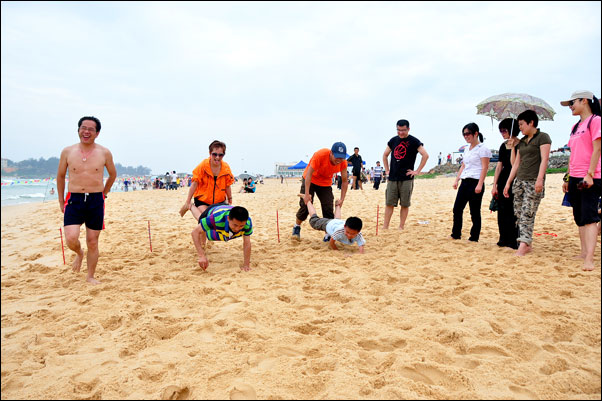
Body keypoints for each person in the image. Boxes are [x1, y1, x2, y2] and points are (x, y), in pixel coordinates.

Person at [57, 116, 117, 285]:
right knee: (71, 238)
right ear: (78, 130)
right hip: (74, 199)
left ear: (97, 133)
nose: (86, 132)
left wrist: (104, 192)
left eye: (91, 129)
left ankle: (90, 276)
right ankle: (79, 253)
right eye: (83, 128)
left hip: (95, 200)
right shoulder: (67, 152)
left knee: (92, 241)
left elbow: (113, 174)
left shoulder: (104, 152)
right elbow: (60, 176)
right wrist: (61, 200)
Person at [560, 90, 601, 271]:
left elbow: (597, 148)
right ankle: (584, 252)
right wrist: (567, 177)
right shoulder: (575, 126)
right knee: (579, 215)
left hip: (590, 176)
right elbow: (573, 154)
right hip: (575, 176)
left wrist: (590, 174)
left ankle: (590, 258)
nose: (570, 107)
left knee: (589, 216)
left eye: (572, 103)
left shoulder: (596, 121)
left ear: (584, 101)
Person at [503, 110, 552, 256]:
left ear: (531, 123)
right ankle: (526, 243)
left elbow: (545, 159)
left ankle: (523, 244)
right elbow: (515, 164)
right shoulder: (522, 141)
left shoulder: (543, 137)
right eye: (518, 125)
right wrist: (508, 182)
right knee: (519, 213)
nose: (520, 128)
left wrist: (540, 179)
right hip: (520, 181)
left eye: (521, 124)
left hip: (533, 181)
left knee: (527, 213)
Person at [292, 142, 349, 241]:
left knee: (328, 208)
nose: (339, 160)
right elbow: (309, 174)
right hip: (311, 179)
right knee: (305, 206)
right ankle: (297, 226)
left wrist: (342, 199)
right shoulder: (320, 155)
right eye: (337, 157)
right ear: (331, 153)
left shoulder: (343, 162)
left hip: (325, 183)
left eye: (342, 158)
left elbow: (344, 181)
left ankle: (327, 235)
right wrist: (306, 194)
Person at [382, 119, 429, 230]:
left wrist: (417, 171)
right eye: (398, 130)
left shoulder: (414, 141)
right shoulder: (393, 140)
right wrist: (387, 170)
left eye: (403, 130)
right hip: (393, 177)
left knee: (405, 204)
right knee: (389, 203)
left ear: (408, 129)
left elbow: (425, 155)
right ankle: (385, 227)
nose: (401, 132)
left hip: (407, 178)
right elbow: (385, 155)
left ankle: (401, 226)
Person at [451, 123, 491, 242]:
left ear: (476, 133)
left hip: (476, 181)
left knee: (474, 211)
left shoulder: (483, 149)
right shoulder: (467, 148)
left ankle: (474, 237)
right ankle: (456, 234)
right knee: (457, 208)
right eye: (464, 134)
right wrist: (457, 180)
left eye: (468, 134)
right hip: (465, 181)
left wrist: (480, 184)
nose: (466, 136)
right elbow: (463, 165)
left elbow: (485, 167)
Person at [190, 203, 253, 271]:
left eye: (241, 226)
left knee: (225, 235)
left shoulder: (247, 223)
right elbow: (194, 232)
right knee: (201, 224)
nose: (237, 229)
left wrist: (246, 265)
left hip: (226, 208)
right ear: (228, 218)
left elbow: (247, 243)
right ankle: (190, 206)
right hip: (212, 210)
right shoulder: (216, 219)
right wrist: (201, 256)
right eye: (235, 225)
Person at [180, 140, 234, 218]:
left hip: (220, 201)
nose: (217, 157)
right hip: (202, 200)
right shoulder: (203, 166)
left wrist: (229, 198)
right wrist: (188, 201)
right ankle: (191, 206)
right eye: (214, 154)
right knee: (205, 219)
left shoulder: (226, 168)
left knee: (220, 220)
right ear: (210, 153)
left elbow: (227, 185)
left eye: (220, 155)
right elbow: (194, 184)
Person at [300, 195, 365, 253]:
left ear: (358, 232)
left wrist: (360, 253)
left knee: (337, 220)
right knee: (313, 221)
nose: (349, 235)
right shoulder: (339, 231)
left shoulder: (358, 235)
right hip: (327, 224)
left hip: (337, 223)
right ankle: (308, 200)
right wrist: (338, 252)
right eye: (347, 232)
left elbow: (361, 247)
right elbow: (331, 243)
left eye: (353, 234)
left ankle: (337, 205)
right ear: (344, 227)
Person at [491, 118, 520, 249]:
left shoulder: (521, 144)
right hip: (503, 179)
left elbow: (515, 165)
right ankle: (503, 237)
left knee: (513, 210)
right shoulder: (503, 146)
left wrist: (513, 148)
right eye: (501, 131)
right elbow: (499, 166)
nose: (502, 133)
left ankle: (514, 239)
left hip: (515, 179)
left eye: (504, 130)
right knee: (502, 210)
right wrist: (494, 185)